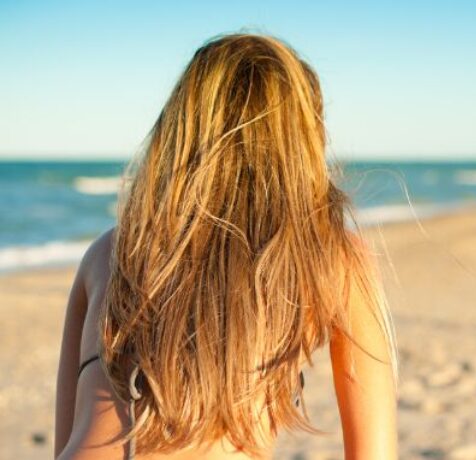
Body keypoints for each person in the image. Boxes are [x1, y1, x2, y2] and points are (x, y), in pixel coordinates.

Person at [55, 34, 398, 459]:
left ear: (178, 132)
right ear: (304, 144)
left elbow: (64, 441)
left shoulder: (107, 252)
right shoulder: (334, 257)